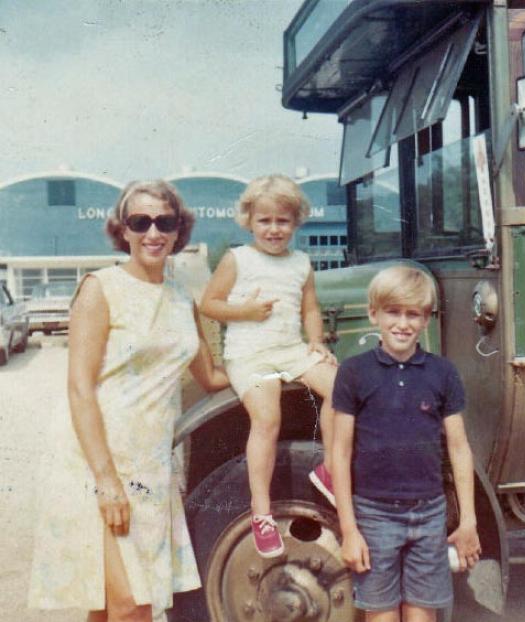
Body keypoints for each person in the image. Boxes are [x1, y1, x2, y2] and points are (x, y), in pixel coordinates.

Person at [28, 180, 228, 622]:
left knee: (110, 609)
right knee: (130, 607)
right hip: (95, 462)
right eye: (140, 222)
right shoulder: (100, 288)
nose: (153, 233)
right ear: (123, 230)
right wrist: (105, 480)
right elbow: (79, 388)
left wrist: (282, 365)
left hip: (150, 468)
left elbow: (212, 377)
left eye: (164, 222)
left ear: (179, 230)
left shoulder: (182, 298)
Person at [331, 265, 481, 622]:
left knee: (422, 615)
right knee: (381, 615)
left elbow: (459, 449)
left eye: (413, 314)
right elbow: (340, 452)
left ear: (425, 320)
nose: (402, 323)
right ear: (374, 314)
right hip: (374, 515)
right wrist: (349, 530)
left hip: (429, 514)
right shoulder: (353, 372)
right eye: (393, 312)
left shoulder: (443, 373)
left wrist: (468, 522)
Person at [200, 174, 337, 558]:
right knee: (267, 418)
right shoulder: (238, 259)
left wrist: (316, 341)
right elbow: (209, 304)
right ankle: (261, 512)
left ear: (296, 222)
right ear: (249, 221)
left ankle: (329, 471)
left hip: (291, 350)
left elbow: (310, 309)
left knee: (345, 389)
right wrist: (244, 311)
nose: (274, 229)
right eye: (265, 220)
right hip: (251, 354)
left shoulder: (301, 263)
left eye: (282, 221)